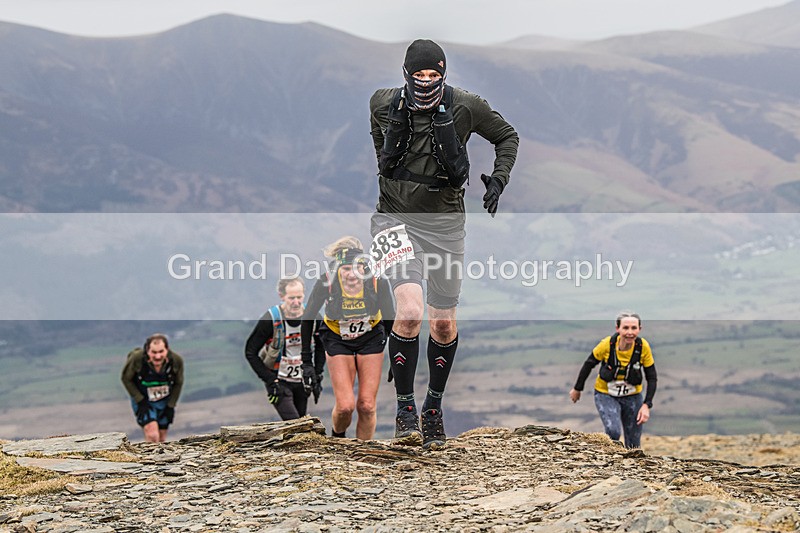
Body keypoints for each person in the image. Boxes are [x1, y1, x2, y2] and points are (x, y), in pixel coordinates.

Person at [369, 39, 519, 449]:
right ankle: (405, 411)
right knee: (411, 311)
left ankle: (433, 406)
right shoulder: (381, 103)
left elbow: (507, 136)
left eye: (434, 76)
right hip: (393, 220)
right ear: (406, 74)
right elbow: (383, 155)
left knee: (443, 323)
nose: (426, 83)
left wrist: (499, 180)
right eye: (418, 76)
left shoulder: (466, 106)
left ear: (444, 74)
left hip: (447, 227)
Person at [301, 236, 395, 440]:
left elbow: (391, 321)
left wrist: (397, 358)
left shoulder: (378, 282)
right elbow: (307, 318)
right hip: (337, 337)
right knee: (345, 407)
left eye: (356, 268)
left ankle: (364, 452)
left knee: (367, 406)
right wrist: (306, 362)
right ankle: (338, 440)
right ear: (337, 270)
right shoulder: (326, 282)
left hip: (370, 336)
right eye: (345, 269)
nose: (351, 274)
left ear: (364, 267)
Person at [569, 312, 658, 449]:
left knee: (633, 443)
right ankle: (612, 462)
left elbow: (651, 376)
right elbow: (589, 364)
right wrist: (577, 389)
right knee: (613, 431)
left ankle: (631, 467)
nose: (629, 332)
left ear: (640, 329)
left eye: (634, 328)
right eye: (625, 328)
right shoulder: (606, 345)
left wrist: (646, 404)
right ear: (618, 329)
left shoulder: (642, 347)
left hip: (633, 396)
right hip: (606, 394)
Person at [245, 276, 326, 420]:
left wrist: (317, 374)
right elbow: (250, 352)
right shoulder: (270, 319)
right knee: (295, 424)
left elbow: (321, 346)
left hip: (302, 379)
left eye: (300, 297)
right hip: (279, 380)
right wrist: (270, 380)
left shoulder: (314, 316)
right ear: (282, 296)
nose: (296, 302)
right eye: (291, 298)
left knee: (301, 422)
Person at [121, 333, 184, 443]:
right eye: (154, 352)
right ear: (147, 350)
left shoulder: (176, 361)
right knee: (152, 435)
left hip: (165, 400)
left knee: (162, 437)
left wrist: (171, 405)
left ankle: (160, 459)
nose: (158, 356)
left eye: (161, 352)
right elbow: (126, 378)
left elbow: (178, 383)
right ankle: (151, 459)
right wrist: (139, 400)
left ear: (167, 350)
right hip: (144, 399)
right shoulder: (137, 359)